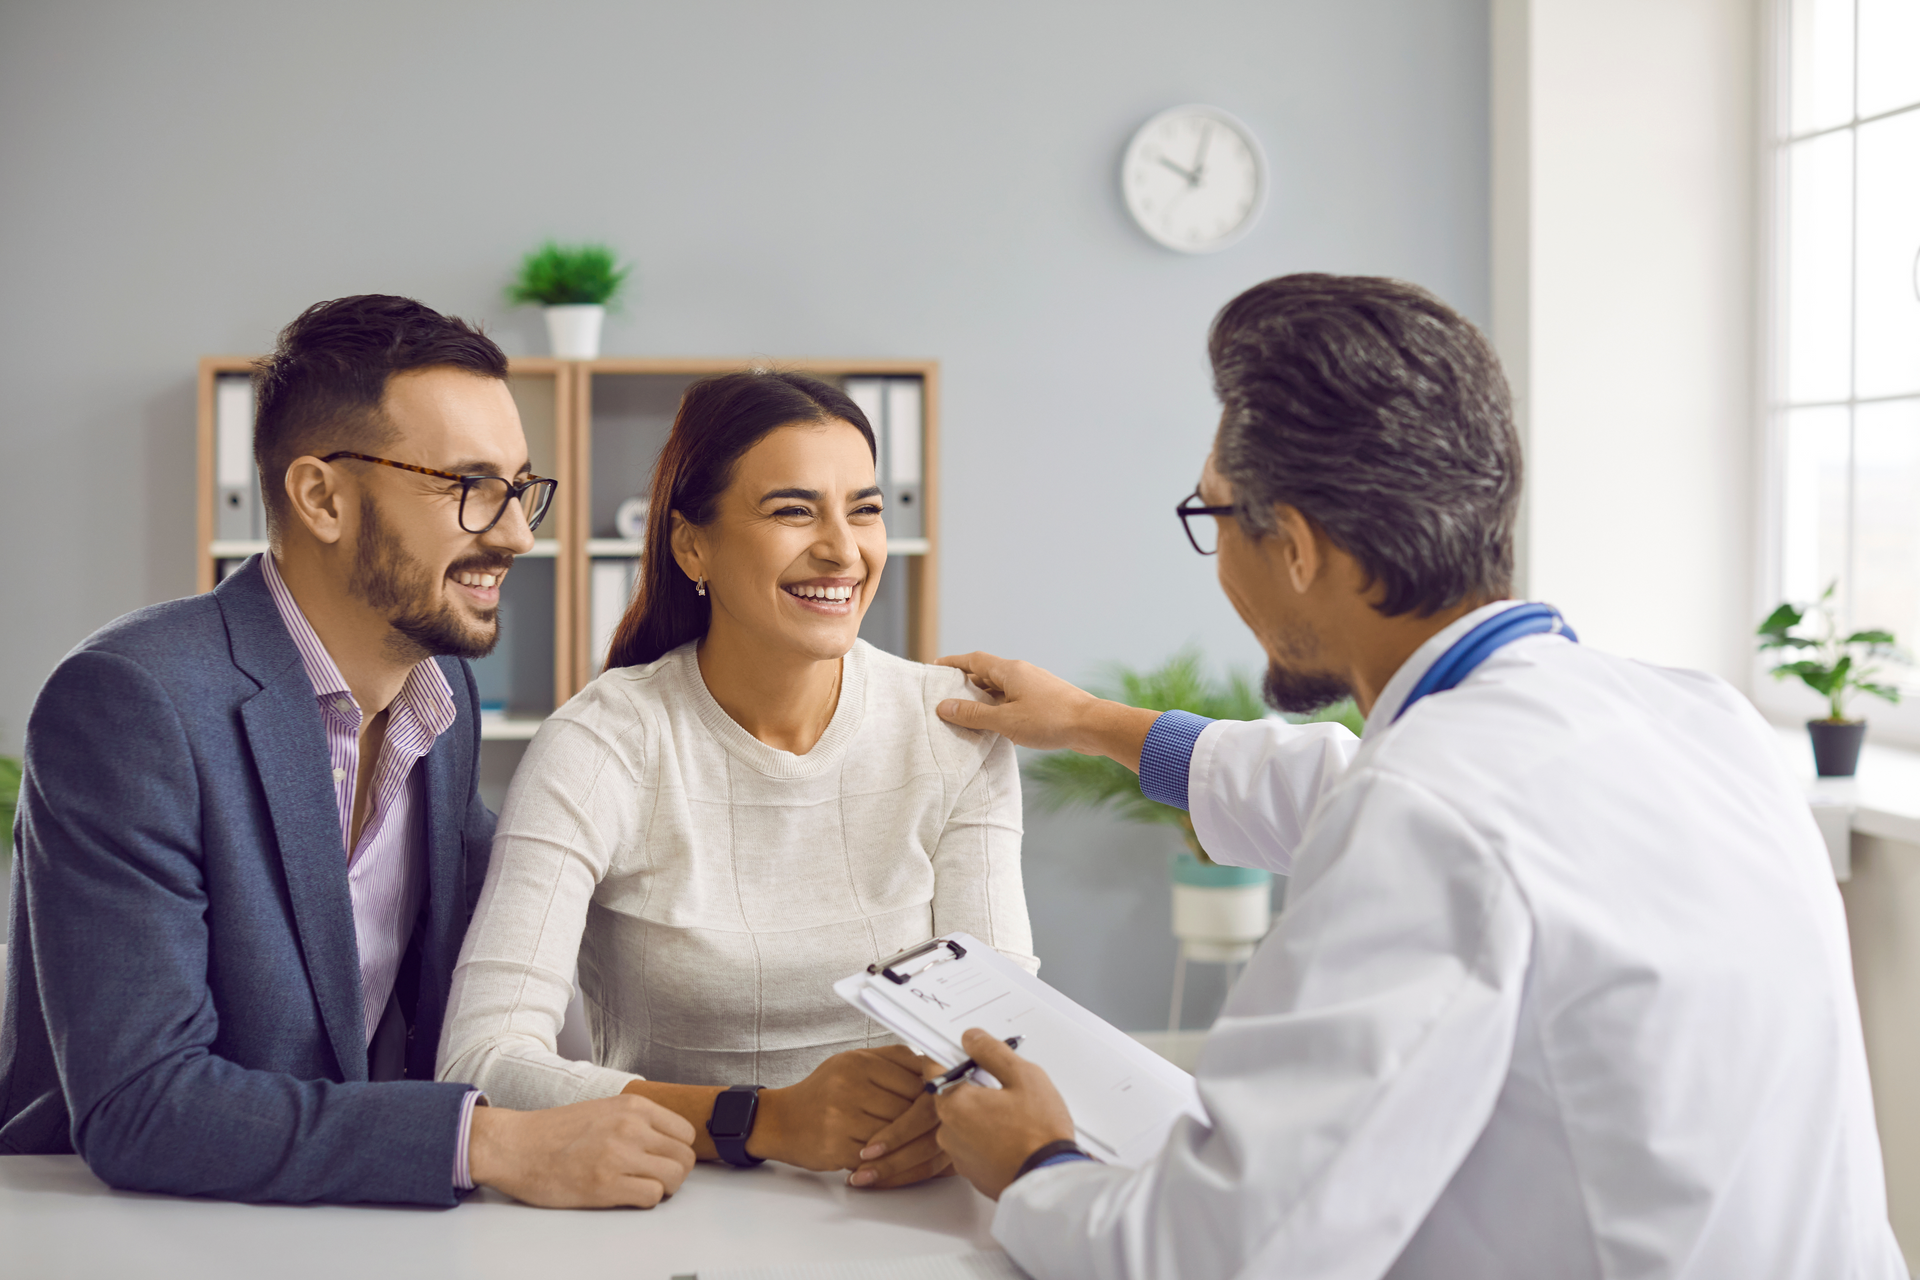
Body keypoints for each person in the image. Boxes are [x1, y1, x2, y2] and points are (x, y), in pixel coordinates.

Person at [923, 274, 1904, 1279]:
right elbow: (1357, 789)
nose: (1214, 553)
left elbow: (1226, 1254)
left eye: (1210, 514)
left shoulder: (1430, 807)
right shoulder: (1695, 715)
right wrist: (1088, 720)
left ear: (1296, 546)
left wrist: (1036, 1164)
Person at [0, 295, 696, 1209]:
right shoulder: (134, 703)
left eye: (521, 488)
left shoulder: (440, 702)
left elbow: (549, 896)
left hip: (347, 1228)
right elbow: (143, 1102)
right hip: (120, 1233)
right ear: (322, 497)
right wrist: (486, 1142)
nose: (519, 533)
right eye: (470, 487)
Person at [435, 370, 1035, 1190]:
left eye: (864, 508)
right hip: (672, 1196)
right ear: (693, 546)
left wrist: (948, 1109)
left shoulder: (954, 729)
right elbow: (481, 1060)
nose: (842, 548)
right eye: (794, 510)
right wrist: (759, 1121)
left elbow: (1002, 1021)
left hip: (914, 1204)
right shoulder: (601, 744)